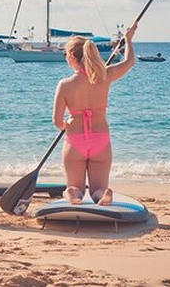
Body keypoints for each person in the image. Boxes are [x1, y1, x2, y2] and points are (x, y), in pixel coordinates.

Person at [52, 22, 137, 206]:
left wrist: (64, 125)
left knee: (75, 187)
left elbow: (57, 121)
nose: (65, 57)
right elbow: (129, 62)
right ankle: (103, 194)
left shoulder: (65, 84)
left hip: (75, 141)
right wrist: (128, 40)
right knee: (98, 188)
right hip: (101, 140)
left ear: (73, 56)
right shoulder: (104, 76)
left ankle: (74, 195)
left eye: (65, 54)